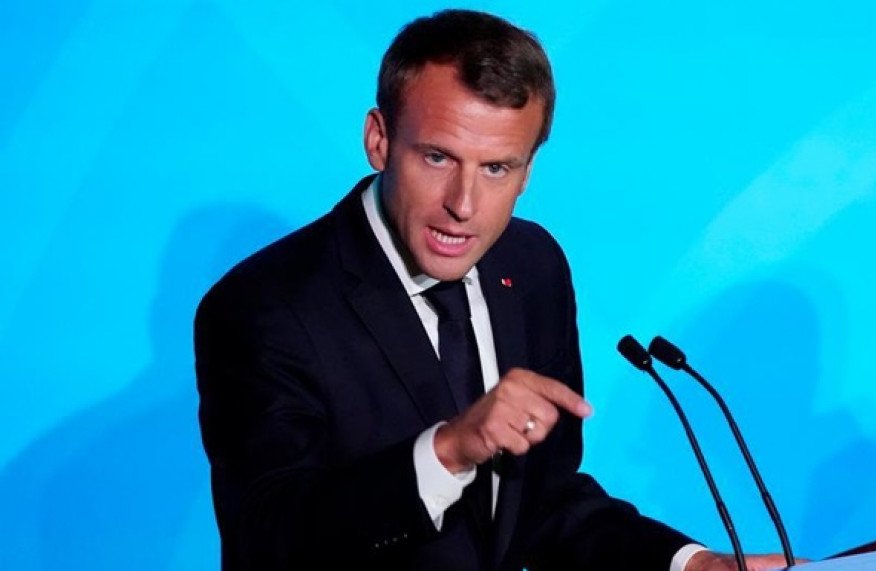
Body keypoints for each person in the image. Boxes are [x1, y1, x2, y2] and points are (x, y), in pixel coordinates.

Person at [195, 9, 790, 570]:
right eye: (437, 158)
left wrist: (689, 563)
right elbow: (267, 541)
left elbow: (543, 501)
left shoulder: (532, 266)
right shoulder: (264, 307)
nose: (463, 205)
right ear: (379, 140)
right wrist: (450, 450)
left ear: (527, 171)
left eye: (496, 168)